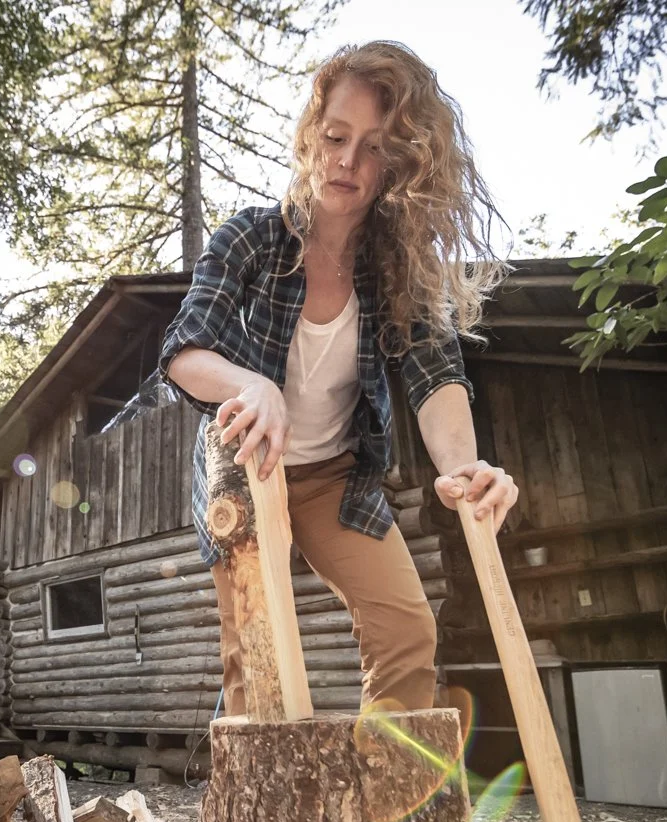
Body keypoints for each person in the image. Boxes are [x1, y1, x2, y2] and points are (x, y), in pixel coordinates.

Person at [159, 40, 519, 717]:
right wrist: (251, 386)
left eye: (376, 147)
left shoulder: (399, 269)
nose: (348, 162)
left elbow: (436, 375)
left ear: (404, 162)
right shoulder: (251, 239)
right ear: (311, 135)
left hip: (333, 476)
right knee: (254, 661)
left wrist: (464, 468)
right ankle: (258, 821)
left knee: (407, 631)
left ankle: (387, 814)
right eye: (336, 136)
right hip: (245, 471)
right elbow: (184, 352)